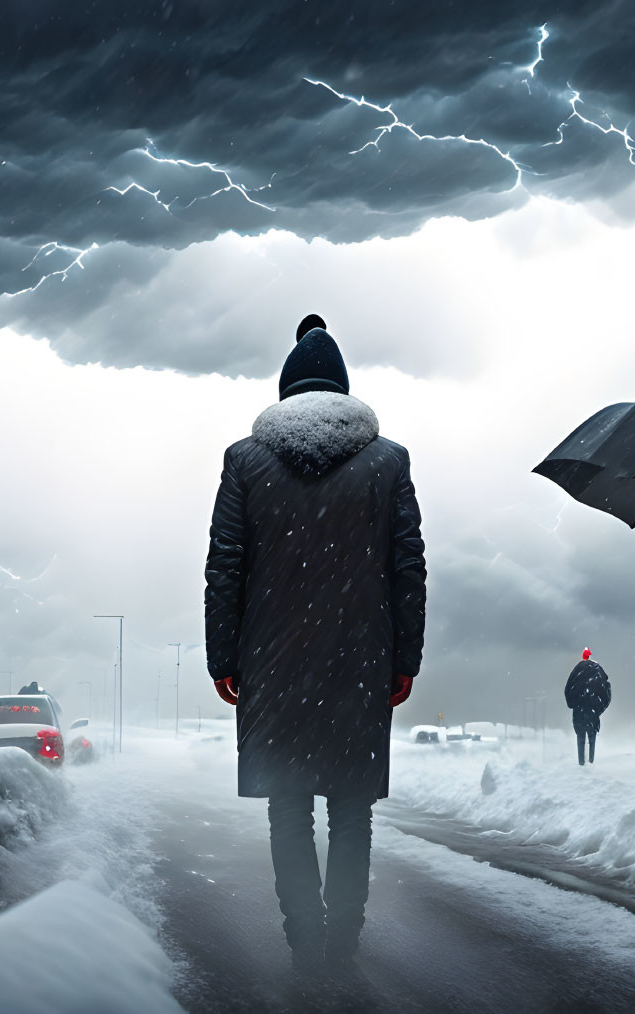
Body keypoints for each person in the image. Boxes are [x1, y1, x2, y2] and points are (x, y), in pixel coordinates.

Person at [205, 314, 426, 973]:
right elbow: (407, 566)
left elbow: (225, 564)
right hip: (359, 659)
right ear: (342, 390)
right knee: (351, 808)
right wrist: (403, 658)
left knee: (288, 806)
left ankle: (303, 938)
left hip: (272, 660)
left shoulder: (245, 461)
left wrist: (224, 657)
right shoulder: (387, 462)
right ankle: (344, 939)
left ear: (285, 393)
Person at [563, 648, 611, 766]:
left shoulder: (577, 671)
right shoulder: (598, 671)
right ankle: (591, 762)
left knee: (580, 737)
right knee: (592, 736)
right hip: (592, 711)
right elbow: (606, 694)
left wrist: (573, 703)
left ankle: (581, 763)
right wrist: (599, 709)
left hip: (579, 710)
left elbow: (567, 689)